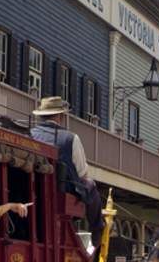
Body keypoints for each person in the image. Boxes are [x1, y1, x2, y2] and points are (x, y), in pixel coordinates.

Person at [29, 96, 104, 245]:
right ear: (60, 116)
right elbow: (83, 173)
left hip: (32, 188)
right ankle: (97, 230)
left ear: (41, 116)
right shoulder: (70, 138)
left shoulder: (30, 134)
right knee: (91, 184)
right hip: (62, 191)